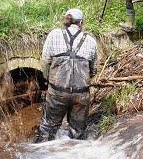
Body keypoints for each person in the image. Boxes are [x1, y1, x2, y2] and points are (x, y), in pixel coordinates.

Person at [35, 8, 98, 143]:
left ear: (66, 20)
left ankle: (41, 154)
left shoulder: (54, 35)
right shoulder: (91, 41)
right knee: (78, 134)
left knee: (48, 129)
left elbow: (45, 61)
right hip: (81, 94)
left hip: (57, 92)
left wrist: (47, 81)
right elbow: (93, 69)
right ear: (81, 22)